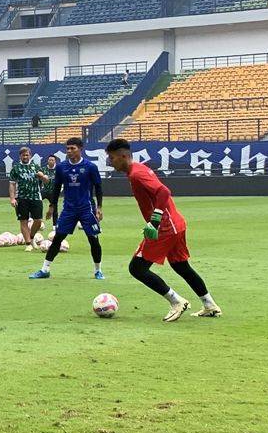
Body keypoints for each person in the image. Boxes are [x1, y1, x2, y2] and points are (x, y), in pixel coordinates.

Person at [105, 139, 221, 321]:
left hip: (165, 227)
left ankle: (176, 301)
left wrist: (155, 221)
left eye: (111, 158)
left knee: (137, 268)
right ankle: (209, 305)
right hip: (176, 224)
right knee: (181, 266)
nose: (109, 162)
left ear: (123, 156)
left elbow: (164, 192)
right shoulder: (137, 170)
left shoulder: (136, 174)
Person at [29, 137, 105, 280]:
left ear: (80, 149)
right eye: (67, 149)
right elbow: (57, 187)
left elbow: (98, 187)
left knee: (93, 239)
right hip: (69, 209)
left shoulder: (90, 167)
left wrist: (99, 207)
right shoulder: (61, 167)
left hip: (86, 209)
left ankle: (98, 270)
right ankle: (45, 269)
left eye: (72, 148)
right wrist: (52, 206)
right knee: (57, 238)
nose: (69, 151)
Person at [9, 146, 48, 251]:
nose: (25, 157)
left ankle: (31, 237)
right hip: (21, 198)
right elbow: (12, 184)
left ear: (30, 155)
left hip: (35, 196)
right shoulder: (16, 168)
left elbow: (45, 180)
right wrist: (12, 198)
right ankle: (28, 244)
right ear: (20, 156)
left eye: (27, 155)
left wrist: (43, 177)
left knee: (38, 220)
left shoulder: (36, 167)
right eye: (23, 155)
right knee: (23, 221)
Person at [41, 154, 59, 223]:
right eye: (49, 160)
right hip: (44, 190)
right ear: (47, 161)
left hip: (53, 192)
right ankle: (32, 220)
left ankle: (55, 225)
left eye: (52, 160)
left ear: (55, 162)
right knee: (35, 201)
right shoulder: (43, 169)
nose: (51, 161)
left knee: (55, 208)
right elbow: (38, 180)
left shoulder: (58, 170)